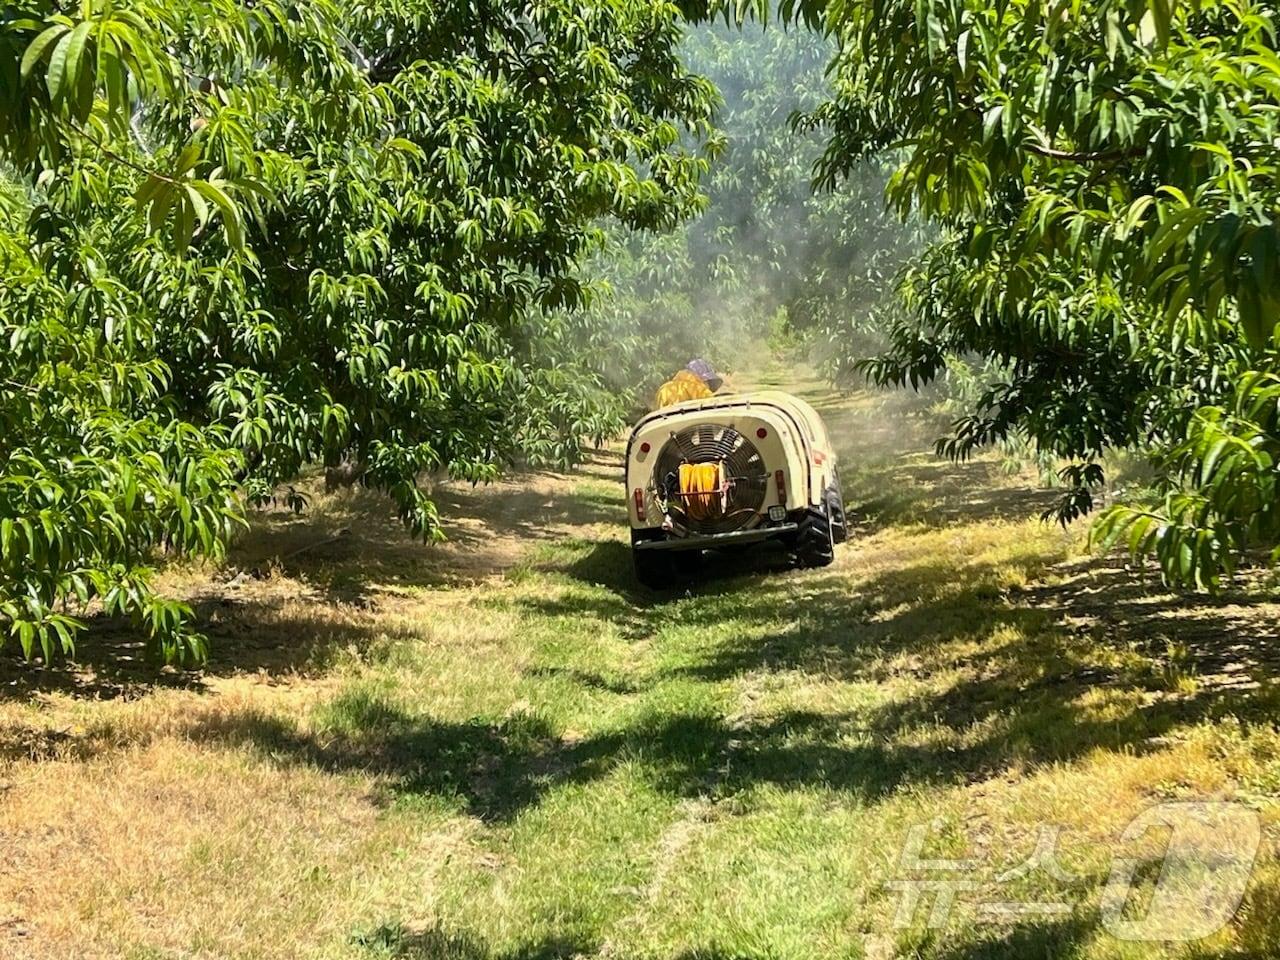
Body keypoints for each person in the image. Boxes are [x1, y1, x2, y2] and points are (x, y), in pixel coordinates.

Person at [654, 358, 724, 408]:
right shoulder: (698, 389)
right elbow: (713, 407)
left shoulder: (664, 389)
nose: (709, 387)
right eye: (708, 383)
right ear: (704, 380)